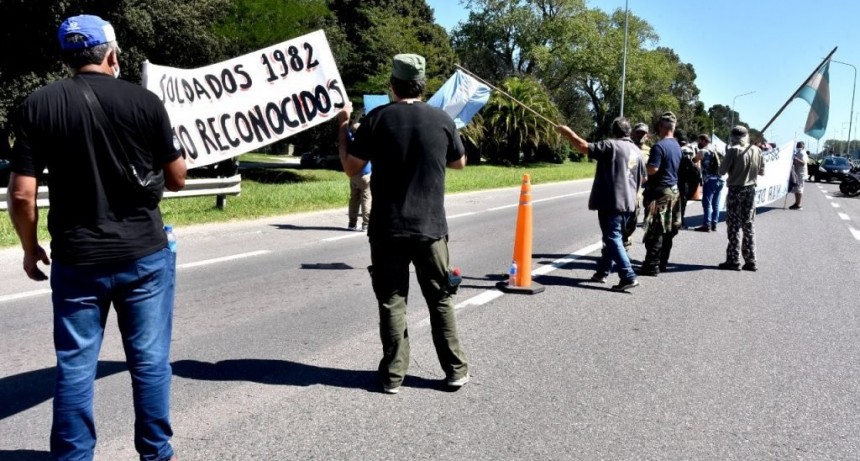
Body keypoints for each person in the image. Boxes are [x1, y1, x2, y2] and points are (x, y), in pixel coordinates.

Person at [7, 15, 186, 461]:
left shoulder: (37, 105)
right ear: (112, 54)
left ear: (67, 57)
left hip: (76, 258)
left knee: (74, 366)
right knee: (149, 362)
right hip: (143, 254)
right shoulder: (145, 102)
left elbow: (22, 194)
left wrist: (29, 248)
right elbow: (178, 178)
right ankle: (156, 454)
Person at [337, 53, 469, 394]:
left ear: (392, 85)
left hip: (387, 227)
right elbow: (459, 163)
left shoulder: (377, 119)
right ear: (422, 85)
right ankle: (455, 370)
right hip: (431, 228)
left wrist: (342, 126)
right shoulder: (441, 118)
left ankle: (393, 376)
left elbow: (352, 168)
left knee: (392, 301)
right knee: (440, 299)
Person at [557, 117, 646, 291]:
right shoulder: (637, 151)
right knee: (612, 238)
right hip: (629, 203)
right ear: (629, 132)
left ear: (613, 131)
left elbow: (584, 147)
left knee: (612, 238)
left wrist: (568, 133)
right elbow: (644, 178)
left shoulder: (611, 145)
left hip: (612, 202)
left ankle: (628, 276)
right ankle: (602, 272)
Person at [637, 111, 682, 276]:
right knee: (668, 231)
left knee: (655, 231)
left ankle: (651, 265)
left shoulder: (659, 146)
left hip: (659, 194)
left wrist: (640, 168)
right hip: (673, 192)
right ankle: (662, 262)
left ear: (661, 127)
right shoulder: (677, 146)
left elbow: (653, 169)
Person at [717, 125, 764, 271]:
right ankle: (751, 260)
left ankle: (733, 259)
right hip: (750, 191)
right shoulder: (757, 150)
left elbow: (721, 171)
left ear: (732, 137)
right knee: (748, 225)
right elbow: (762, 171)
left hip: (736, 191)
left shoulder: (733, 150)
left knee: (734, 226)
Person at [623, 122, 651, 251]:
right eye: (638, 132)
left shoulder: (650, 151)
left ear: (647, 136)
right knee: (616, 221)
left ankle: (625, 245)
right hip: (623, 189)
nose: (640, 135)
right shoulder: (626, 147)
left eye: (643, 133)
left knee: (632, 221)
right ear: (633, 133)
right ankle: (612, 248)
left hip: (638, 192)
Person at [694, 134, 724, 232]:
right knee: (716, 203)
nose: (699, 143)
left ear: (703, 141)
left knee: (707, 203)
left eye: (699, 141)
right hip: (720, 179)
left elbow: (694, 160)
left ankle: (707, 225)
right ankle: (714, 224)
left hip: (710, 180)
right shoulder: (718, 149)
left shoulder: (703, 151)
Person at [347, 122, 372, 231]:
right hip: (365, 174)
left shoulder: (350, 142)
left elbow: (347, 131)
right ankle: (366, 224)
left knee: (354, 199)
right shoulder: (367, 141)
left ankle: (352, 223)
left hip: (353, 174)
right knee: (366, 198)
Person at [676, 130, 702, 229]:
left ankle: (677, 221)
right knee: (682, 202)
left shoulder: (677, 150)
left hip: (678, 179)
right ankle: (680, 221)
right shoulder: (690, 150)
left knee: (677, 202)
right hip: (687, 180)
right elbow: (696, 166)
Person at [789, 141, 808, 210]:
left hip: (801, 174)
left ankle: (798, 204)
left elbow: (803, 163)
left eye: (799, 146)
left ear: (803, 146)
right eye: (797, 145)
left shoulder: (803, 153)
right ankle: (796, 203)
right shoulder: (797, 153)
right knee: (796, 189)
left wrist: (796, 159)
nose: (798, 147)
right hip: (796, 173)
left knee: (799, 189)